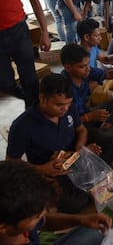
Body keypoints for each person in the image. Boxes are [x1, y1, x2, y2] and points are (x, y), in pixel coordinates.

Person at [7, 73, 93, 213]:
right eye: (59, 105)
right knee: (73, 203)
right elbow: (11, 161)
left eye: (68, 104)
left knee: (109, 140)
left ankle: (88, 185)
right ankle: (88, 189)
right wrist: (42, 169)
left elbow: (82, 130)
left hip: (74, 155)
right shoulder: (22, 126)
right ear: (42, 99)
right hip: (52, 170)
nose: (65, 109)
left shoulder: (67, 108)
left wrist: (79, 149)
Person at [0, 160, 112, 245]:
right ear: (3, 228)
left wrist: (81, 220)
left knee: (97, 231)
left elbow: (45, 222)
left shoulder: (17, 220)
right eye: (37, 216)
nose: (43, 215)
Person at [60, 43, 113, 133]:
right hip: (77, 125)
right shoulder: (62, 89)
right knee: (107, 139)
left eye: (88, 64)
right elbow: (66, 123)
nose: (88, 69)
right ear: (68, 68)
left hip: (86, 112)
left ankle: (108, 125)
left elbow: (110, 74)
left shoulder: (85, 73)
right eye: (82, 66)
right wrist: (89, 117)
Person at [0, 0, 51, 109]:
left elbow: (34, 0)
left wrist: (45, 32)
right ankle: (33, 99)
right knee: (5, 84)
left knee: (30, 81)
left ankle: (33, 112)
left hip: (18, 33)